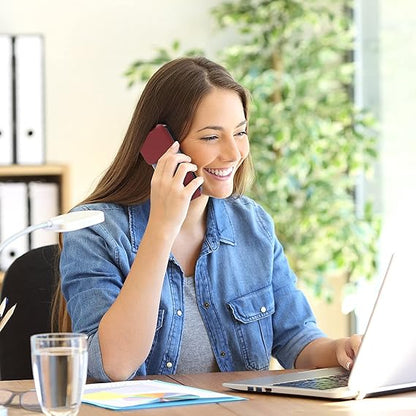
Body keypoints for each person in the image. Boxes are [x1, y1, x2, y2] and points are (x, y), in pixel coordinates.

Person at [58, 56, 361, 382]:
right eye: (211, 137)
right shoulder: (95, 232)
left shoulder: (252, 225)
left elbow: (295, 338)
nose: (234, 153)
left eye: (240, 132)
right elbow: (115, 364)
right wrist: (162, 227)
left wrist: (341, 349)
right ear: (159, 146)